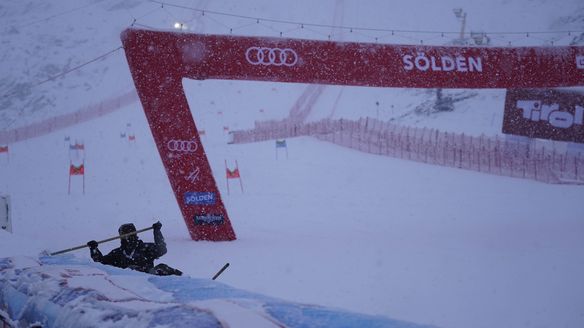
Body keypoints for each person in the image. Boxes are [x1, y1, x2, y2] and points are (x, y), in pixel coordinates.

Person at [87, 221, 182, 276]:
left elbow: (162, 250)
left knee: (162, 268)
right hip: (130, 286)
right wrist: (94, 249)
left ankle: (182, 282)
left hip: (150, 283)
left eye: (131, 232)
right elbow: (100, 263)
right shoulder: (118, 253)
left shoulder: (145, 248)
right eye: (126, 234)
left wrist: (157, 232)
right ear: (121, 236)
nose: (129, 236)